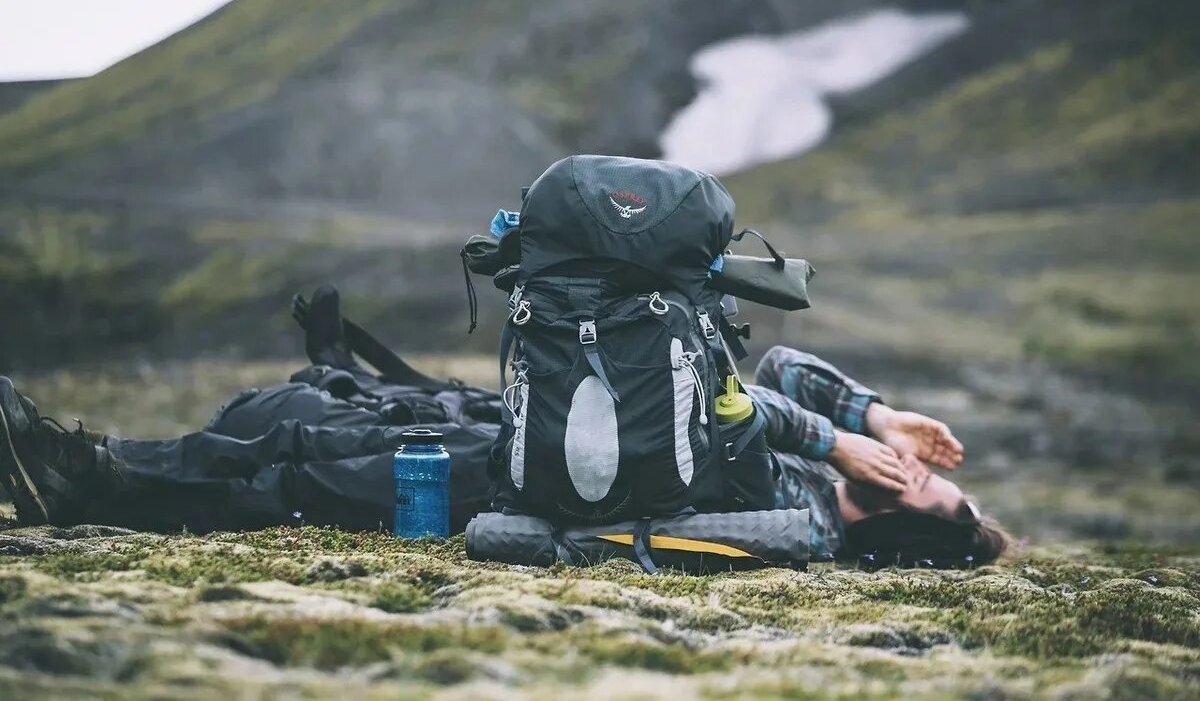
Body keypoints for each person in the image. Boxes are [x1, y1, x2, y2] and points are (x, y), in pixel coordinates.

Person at [0, 341, 1008, 567]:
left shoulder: (800, 523)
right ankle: (97, 465)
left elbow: (731, 412)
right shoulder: (831, 469)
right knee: (325, 414)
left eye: (933, 489)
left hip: (528, 487)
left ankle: (92, 476)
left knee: (308, 468)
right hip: (545, 437)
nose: (928, 470)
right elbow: (780, 360)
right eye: (932, 466)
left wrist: (834, 437)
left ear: (902, 517)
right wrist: (875, 413)